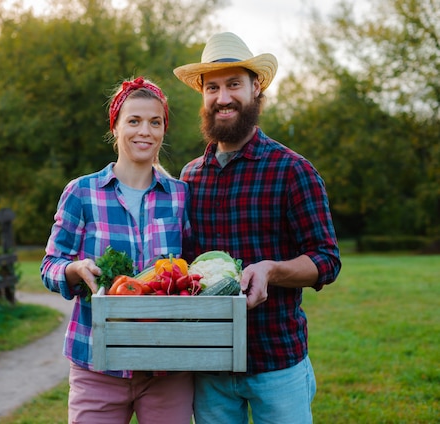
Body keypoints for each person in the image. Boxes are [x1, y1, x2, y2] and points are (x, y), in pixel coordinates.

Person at [173, 32, 342, 423]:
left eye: (234, 84)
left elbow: (326, 260)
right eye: (212, 87)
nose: (223, 97)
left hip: (276, 361)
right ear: (203, 97)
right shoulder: (190, 177)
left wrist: (272, 269)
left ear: (256, 88)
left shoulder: (292, 170)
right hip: (210, 366)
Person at [40, 76, 194, 424]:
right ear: (116, 127)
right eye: (134, 121)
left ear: (164, 130)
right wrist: (73, 270)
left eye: (155, 122)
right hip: (97, 362)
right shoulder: (82, 192)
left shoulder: (180, 196)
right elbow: (50, 264)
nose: (145, 131)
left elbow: (194, 272)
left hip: (166, 366)